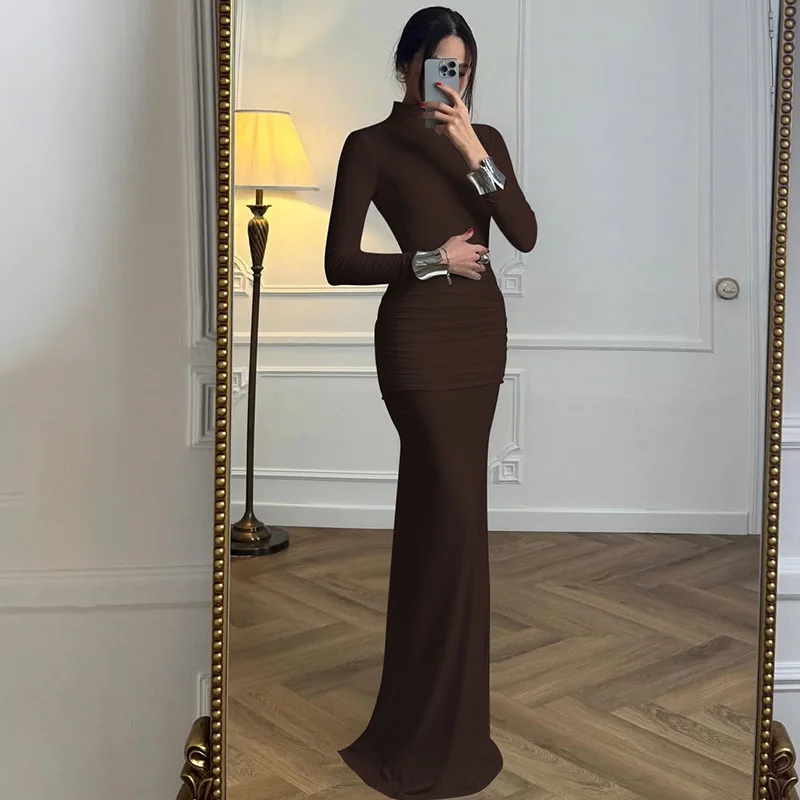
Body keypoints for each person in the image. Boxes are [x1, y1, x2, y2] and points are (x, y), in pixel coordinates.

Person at [324, 6, 537, 799]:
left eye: (464, 69)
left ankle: (446, 726)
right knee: (447, 515)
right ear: (407, 64)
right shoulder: (369, 145)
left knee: (453, 523)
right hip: (416, 344)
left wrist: (474, 149)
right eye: (440, 65)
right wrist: (430, 259)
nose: (453, 80)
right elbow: (339, 261)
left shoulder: (485, 143)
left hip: (479, 341)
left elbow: (524, 231)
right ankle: (424, 732)